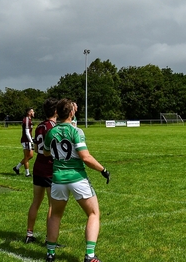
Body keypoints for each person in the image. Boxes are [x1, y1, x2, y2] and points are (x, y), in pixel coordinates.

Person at [44, 98, 110, 262]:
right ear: (72, 112)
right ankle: (90, 255)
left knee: (55, 216)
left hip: (58, 179)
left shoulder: (50, 132)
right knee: (93, 213)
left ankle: (50, 254)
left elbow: (45, 153)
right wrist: (103, 169)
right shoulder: (76, 131)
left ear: (57, 113)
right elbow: (85, 157)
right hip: (77, 178)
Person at [25, 98, 59, 244]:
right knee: (52, 205)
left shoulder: (40, 125)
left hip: (38, 165)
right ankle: (49, 239)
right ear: (56, 111)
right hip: (49, 167)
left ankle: (29, 234)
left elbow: (37, 147)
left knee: (36, 202)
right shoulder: (54, 127)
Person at [13, 107, 35, 176]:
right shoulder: (27, 120)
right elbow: (27, 132)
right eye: (32, 111)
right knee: (26, 156)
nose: (33, 112)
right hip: (26, 140)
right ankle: (27, 173)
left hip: (28, 140)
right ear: (29, 113)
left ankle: (17, 167)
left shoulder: (29, 120)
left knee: (30, 156)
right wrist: (31, 141)